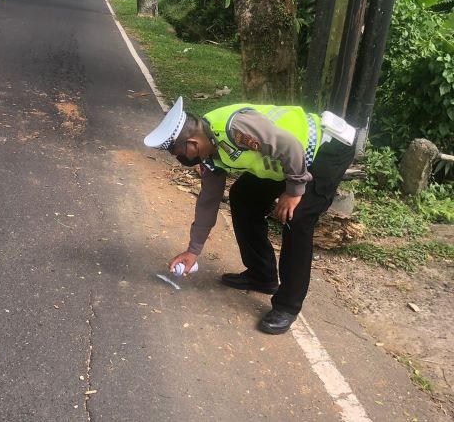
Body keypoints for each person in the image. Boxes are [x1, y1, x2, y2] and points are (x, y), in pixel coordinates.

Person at [143, 97, 356, 334]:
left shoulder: (235, 128)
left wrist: (294, 190)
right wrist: (193, 250)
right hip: (288, 160)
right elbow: (208, 202)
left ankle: (287, 306)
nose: (177, 158)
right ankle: (262, 276)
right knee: (243, 197)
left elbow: (289, 146)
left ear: (192, 143)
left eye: (176, 152)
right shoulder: (211, 153)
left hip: (325, 149)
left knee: (298, 217)